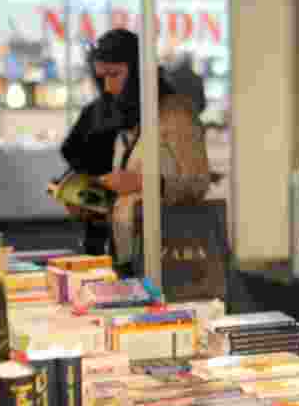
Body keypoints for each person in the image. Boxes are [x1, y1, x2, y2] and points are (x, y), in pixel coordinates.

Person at [72, 29, 209, 276]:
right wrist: (93, 204)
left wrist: (142, 181)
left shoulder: (176, 115)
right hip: (129, 255)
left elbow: (197, 182)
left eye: (114, 75)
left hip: (166, 259)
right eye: (102, 77)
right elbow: (130, 197)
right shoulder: (133, 118)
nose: (108, 87)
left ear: (138, 71)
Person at [167, 52, 207, 118]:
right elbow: (202, 104)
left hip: (173, 115)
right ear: (190, 63)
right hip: (190, 116)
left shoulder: (171, 76)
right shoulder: (197, 79)